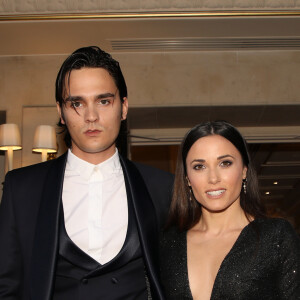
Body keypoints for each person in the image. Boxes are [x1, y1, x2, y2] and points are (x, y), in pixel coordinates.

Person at [0, 46, 173, 300]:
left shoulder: (162, 187)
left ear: (123, 107)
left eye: (104, 101)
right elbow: (6, 287)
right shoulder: (22, 189)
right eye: (77, 103)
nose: (91, 116)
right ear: (61, 112)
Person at [160, 121, 300, 300]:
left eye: (225, 163)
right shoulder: (168, 243)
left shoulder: (276, 237)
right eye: (199, 166)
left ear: (244, 170)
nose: (213, 178)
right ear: (187, 178)